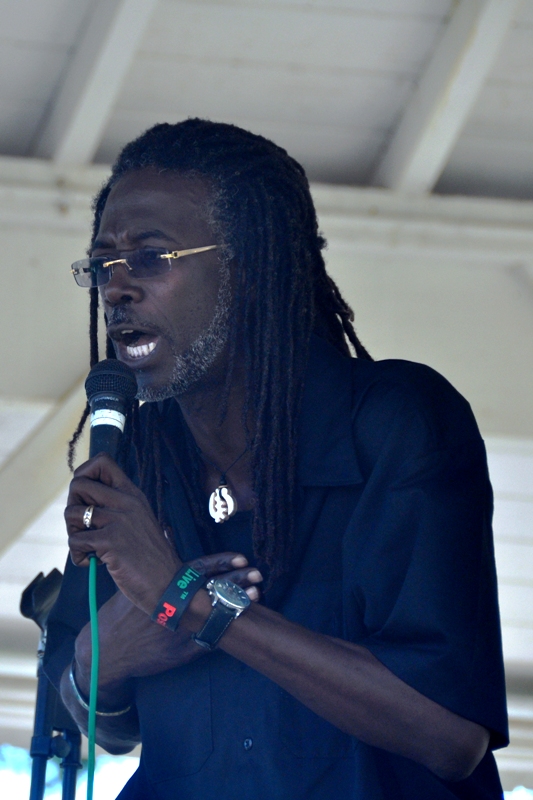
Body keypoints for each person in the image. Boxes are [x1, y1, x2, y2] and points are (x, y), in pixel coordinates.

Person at [44, 119, 508, 799]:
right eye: (103, 263)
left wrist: (194, 605)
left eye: (148, 256)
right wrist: (95, 658)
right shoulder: (140, 458)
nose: (115, 288)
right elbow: (112, 727)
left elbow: (450, 734)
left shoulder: (391, 421)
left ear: (251, 265)